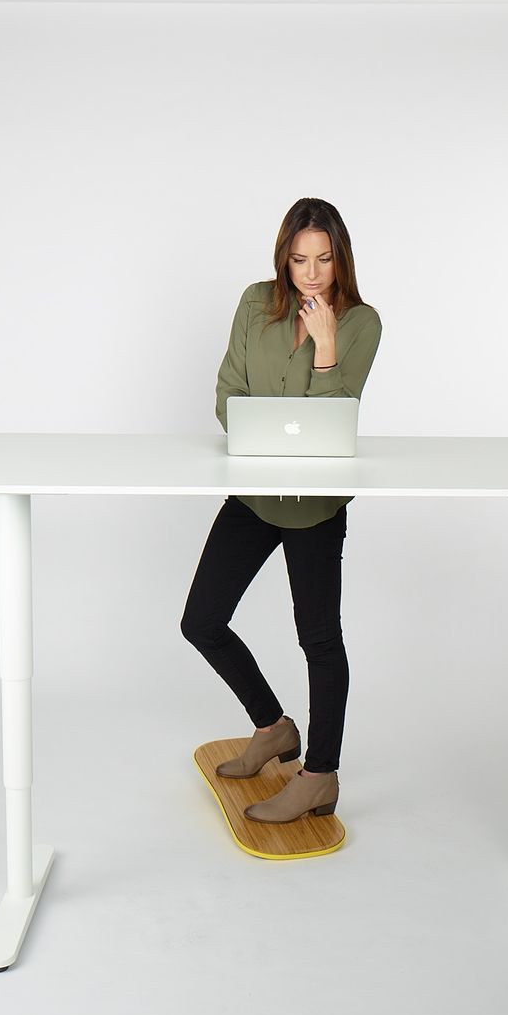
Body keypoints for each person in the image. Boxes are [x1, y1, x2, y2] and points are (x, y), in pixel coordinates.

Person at [180, 197, 383, 824]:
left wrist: (325, 349)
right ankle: (273, 727)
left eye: (324, 259)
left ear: (340, 257)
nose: (312, 273)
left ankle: (319, 775)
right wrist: (256, 435)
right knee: (202, 621)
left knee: (320, 640)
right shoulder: (253, 302)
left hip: (316, 504)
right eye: (299, 259)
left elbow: (333, 421)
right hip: (255, 493)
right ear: (283, 258)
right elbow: (228, 394)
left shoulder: (361, 323)